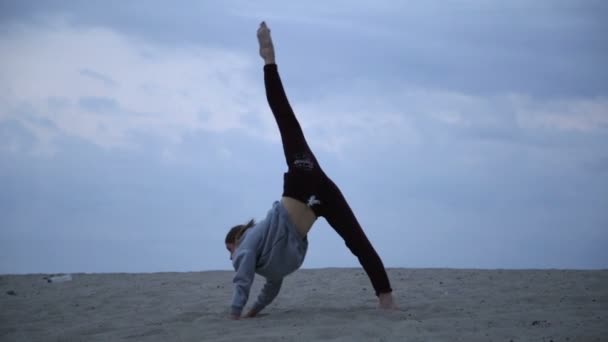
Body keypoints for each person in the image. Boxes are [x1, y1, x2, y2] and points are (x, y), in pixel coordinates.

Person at [225, 22, 396, 320]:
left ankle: (268, 58)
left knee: (285, 120)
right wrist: (255, 309)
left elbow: (243, 276)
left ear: (238, 240)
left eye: (230, 251)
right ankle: (386, 298)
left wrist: (236, 311)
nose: (232, 258)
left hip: (302, 181)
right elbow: (271, 287)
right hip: (321, 196)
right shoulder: (270, 264)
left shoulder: (249, 245)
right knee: (356, 240)